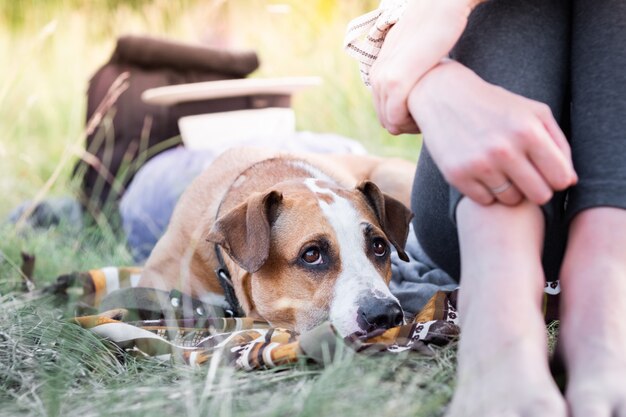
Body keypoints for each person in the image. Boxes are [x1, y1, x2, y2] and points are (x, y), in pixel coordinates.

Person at [346, 0, 626, 415]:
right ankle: (499, 305)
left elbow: (403, 61)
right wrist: (437, 76)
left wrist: (428, 71)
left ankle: (604, 294)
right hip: (475, 213)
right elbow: (386, 54)